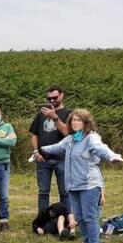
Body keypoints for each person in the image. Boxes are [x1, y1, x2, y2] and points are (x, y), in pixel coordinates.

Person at [36, 108, 123, 243]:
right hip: (73, 185)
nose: (75, 123)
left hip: (89, 184)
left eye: (79, 120)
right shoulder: (71, 139)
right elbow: (56, 148)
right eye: (73, 120)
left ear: (86, 123)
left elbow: (100, 149)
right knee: (79, 217)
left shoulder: (91, 138)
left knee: (90, 216)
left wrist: (112, 157)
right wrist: (38, 150)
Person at [29, 85, 73, 213]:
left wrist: (55, 117)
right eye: (49, 98)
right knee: (43, 192)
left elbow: (67, 133)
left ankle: (66, 219)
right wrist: (36, 151)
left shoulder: (69, 114)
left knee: (65, 192)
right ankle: (42, 220)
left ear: (62, 95)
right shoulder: (41, 115)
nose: (52, 101)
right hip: (43, 159)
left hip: (63, 159)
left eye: (55, 97)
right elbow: (34, 134)